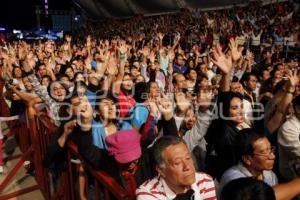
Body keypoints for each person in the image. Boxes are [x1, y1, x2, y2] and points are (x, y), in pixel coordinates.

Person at [136, 136, 216, 200]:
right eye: (177, 163)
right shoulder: (148, 194)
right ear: (161, 170)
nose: (187, 166)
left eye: (188, 158)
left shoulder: (204, 181)